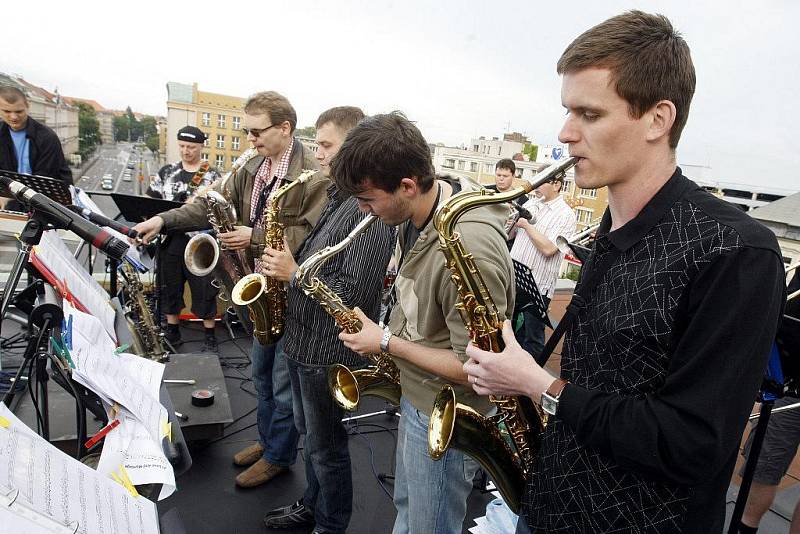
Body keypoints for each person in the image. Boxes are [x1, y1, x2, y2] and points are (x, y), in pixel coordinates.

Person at [462, 11, 786, 533]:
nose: (565, 134)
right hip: (549, 507)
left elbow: (693, 442)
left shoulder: (738, 251)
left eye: (589, 115)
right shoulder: (612, 226)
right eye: (568, 112)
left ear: (658, 119)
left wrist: (541, 385)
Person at [133, 91, 327, 489]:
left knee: (281, 382)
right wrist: (164, 220)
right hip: (255, 288)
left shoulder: (313, 174)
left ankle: (278, 455)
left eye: (256, 132)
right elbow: (208, 205)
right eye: (246, 131)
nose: (249, 140)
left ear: (285, 128)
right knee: (259, 374)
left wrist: (253, 238)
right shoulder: (253, 165)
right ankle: (268, 439)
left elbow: (311, 237)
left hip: (288, 293)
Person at [332, 112, 514, 534]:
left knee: (430, 526)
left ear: (408, 186)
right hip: (418, 396)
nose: (364, 211)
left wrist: (385, 342)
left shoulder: (468, 245)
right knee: (409, 509)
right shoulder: (415, 217)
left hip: (445, 411)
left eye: (368, 199)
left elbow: (481, 368)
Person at [261, 106, 395, 533]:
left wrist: (293, 272)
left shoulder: (369, 213)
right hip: (303, 342)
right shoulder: (336, 198)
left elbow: (352, 291)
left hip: (328, 351)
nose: (317, 154)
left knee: (327, 447)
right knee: (309, 439)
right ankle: (313, 504)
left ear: (353, 148)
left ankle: (331, 524)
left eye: (326, 145)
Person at [146, 125, 221, 352]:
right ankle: (173, 331)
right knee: (170, 286)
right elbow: (150, 200)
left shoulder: (212, 176)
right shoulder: (167, 172)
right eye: (182, 146)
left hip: (199, 241)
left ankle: (210, 334)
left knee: (205, 288)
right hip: (171, 240)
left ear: (201, 147)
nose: (186, 151)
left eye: (191, 147)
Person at [508, 173, 575, 362]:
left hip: (538, 285)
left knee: (532, 338)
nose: (536, 186)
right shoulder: (531, 204)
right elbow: (511, 236)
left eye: (542, 182)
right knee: (508, 331)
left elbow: (549, 248)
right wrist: (511, 223)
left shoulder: (566, 214)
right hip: (515, 277)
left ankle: (528, 386)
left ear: (557, 185)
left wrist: (526, 225)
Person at [0, 85, 72, 210]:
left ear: (28, 107)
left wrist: (7, 194)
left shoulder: (47, 137)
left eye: (19, 111)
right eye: (7, 111)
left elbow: (43, 180)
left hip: (47, 203)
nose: (13, 117)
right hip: (11, 200)